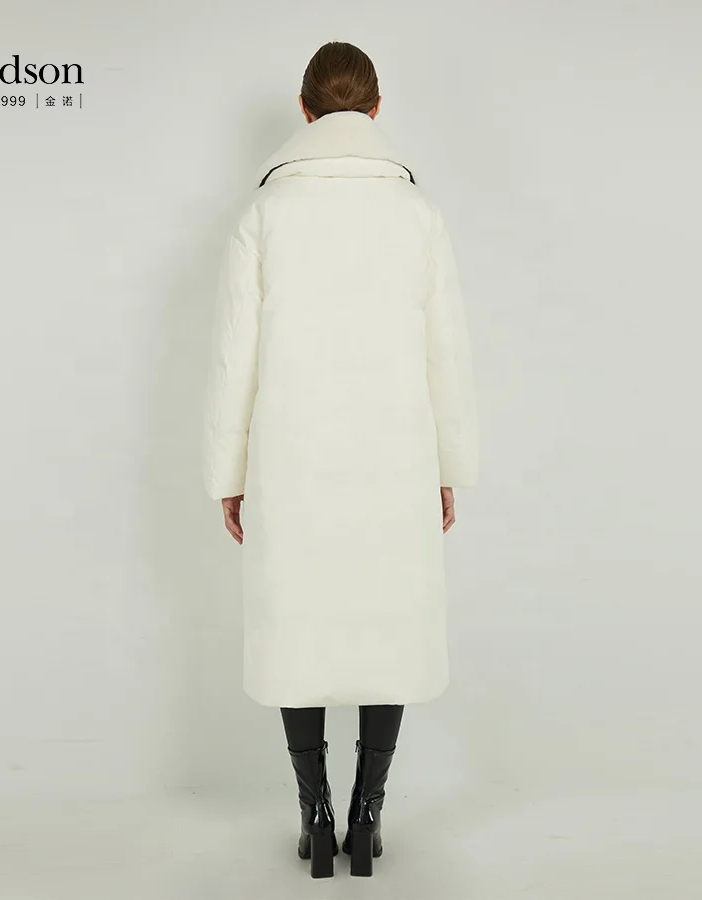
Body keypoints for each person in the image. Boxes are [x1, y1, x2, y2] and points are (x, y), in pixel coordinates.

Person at [201, 41, 478, 878]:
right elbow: (446, 353)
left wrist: (229, 475)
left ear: (305, 108)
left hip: (292, 454)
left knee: (298, 624)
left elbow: (235, 357)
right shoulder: (418, 213)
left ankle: (314, 817)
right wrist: (449, 466)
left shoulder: (265, 213)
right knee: (389, 619)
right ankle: (368, 814)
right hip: (396, 451)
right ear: (377, 110)